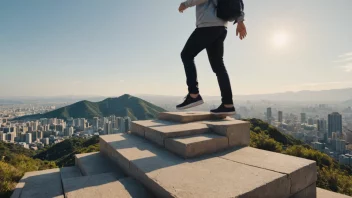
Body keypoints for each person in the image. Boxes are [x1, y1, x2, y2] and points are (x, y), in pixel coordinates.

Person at [176, 0, 247, 115]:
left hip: (207, 26)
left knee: (186, 55)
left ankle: (194, 94)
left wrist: (185, 4)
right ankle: (228, 104)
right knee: (218, 66)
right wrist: (240, 21)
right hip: (221, 28)